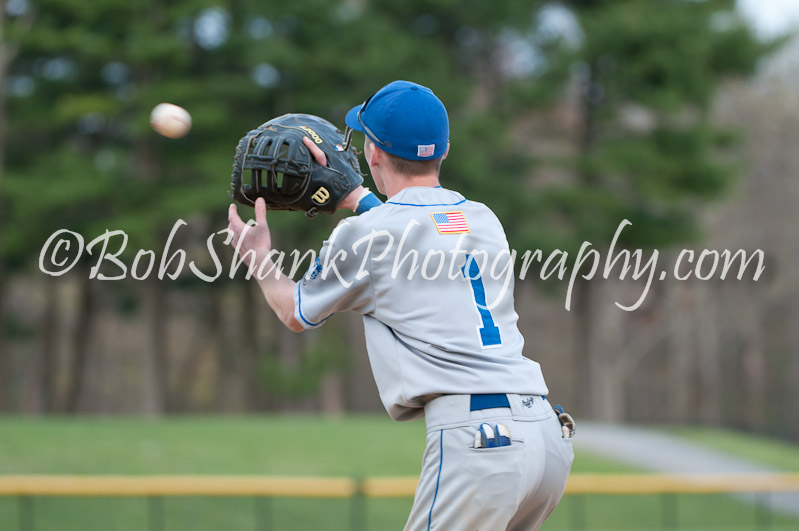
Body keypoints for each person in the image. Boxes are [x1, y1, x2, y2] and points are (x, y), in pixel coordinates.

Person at [227, 80, 573, 530]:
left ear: (373, 152)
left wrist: (259, 259)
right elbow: (413, 226)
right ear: (444, 150)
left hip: (480, 441)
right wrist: (356, 197)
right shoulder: (483, 219)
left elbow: (295, 312)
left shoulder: (367, 236)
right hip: (544, 435)